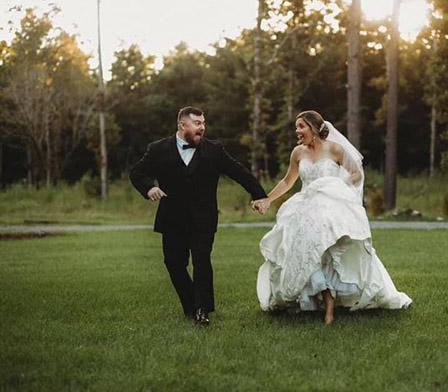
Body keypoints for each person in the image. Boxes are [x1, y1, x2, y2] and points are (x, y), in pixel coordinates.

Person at [252, 110, 412, 325]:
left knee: (327, 249)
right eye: (296, 127)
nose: (297, 131)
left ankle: (330, 302)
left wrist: (336, 186)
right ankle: (319, 299)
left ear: (314, 128)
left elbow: (356, 173)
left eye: (301, 126)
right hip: (306, 207)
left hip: (331, 207)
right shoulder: (298, 153)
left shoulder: (335, 149)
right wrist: (267, 199)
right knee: (305, 248)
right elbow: (287, 182)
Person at [130, 106, 267, 326]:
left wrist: (260, 195)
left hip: (203, 218)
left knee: (202, 261)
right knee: (173, 263)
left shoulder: (214, 150)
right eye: (197, 123)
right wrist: (148, 188)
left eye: (203, 123)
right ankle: (191, 305)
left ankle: (202, 310)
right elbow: (137, 172)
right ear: (182, 125)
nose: (202, 127)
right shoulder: (157, 149)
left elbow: (239, 172)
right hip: (172, 219)